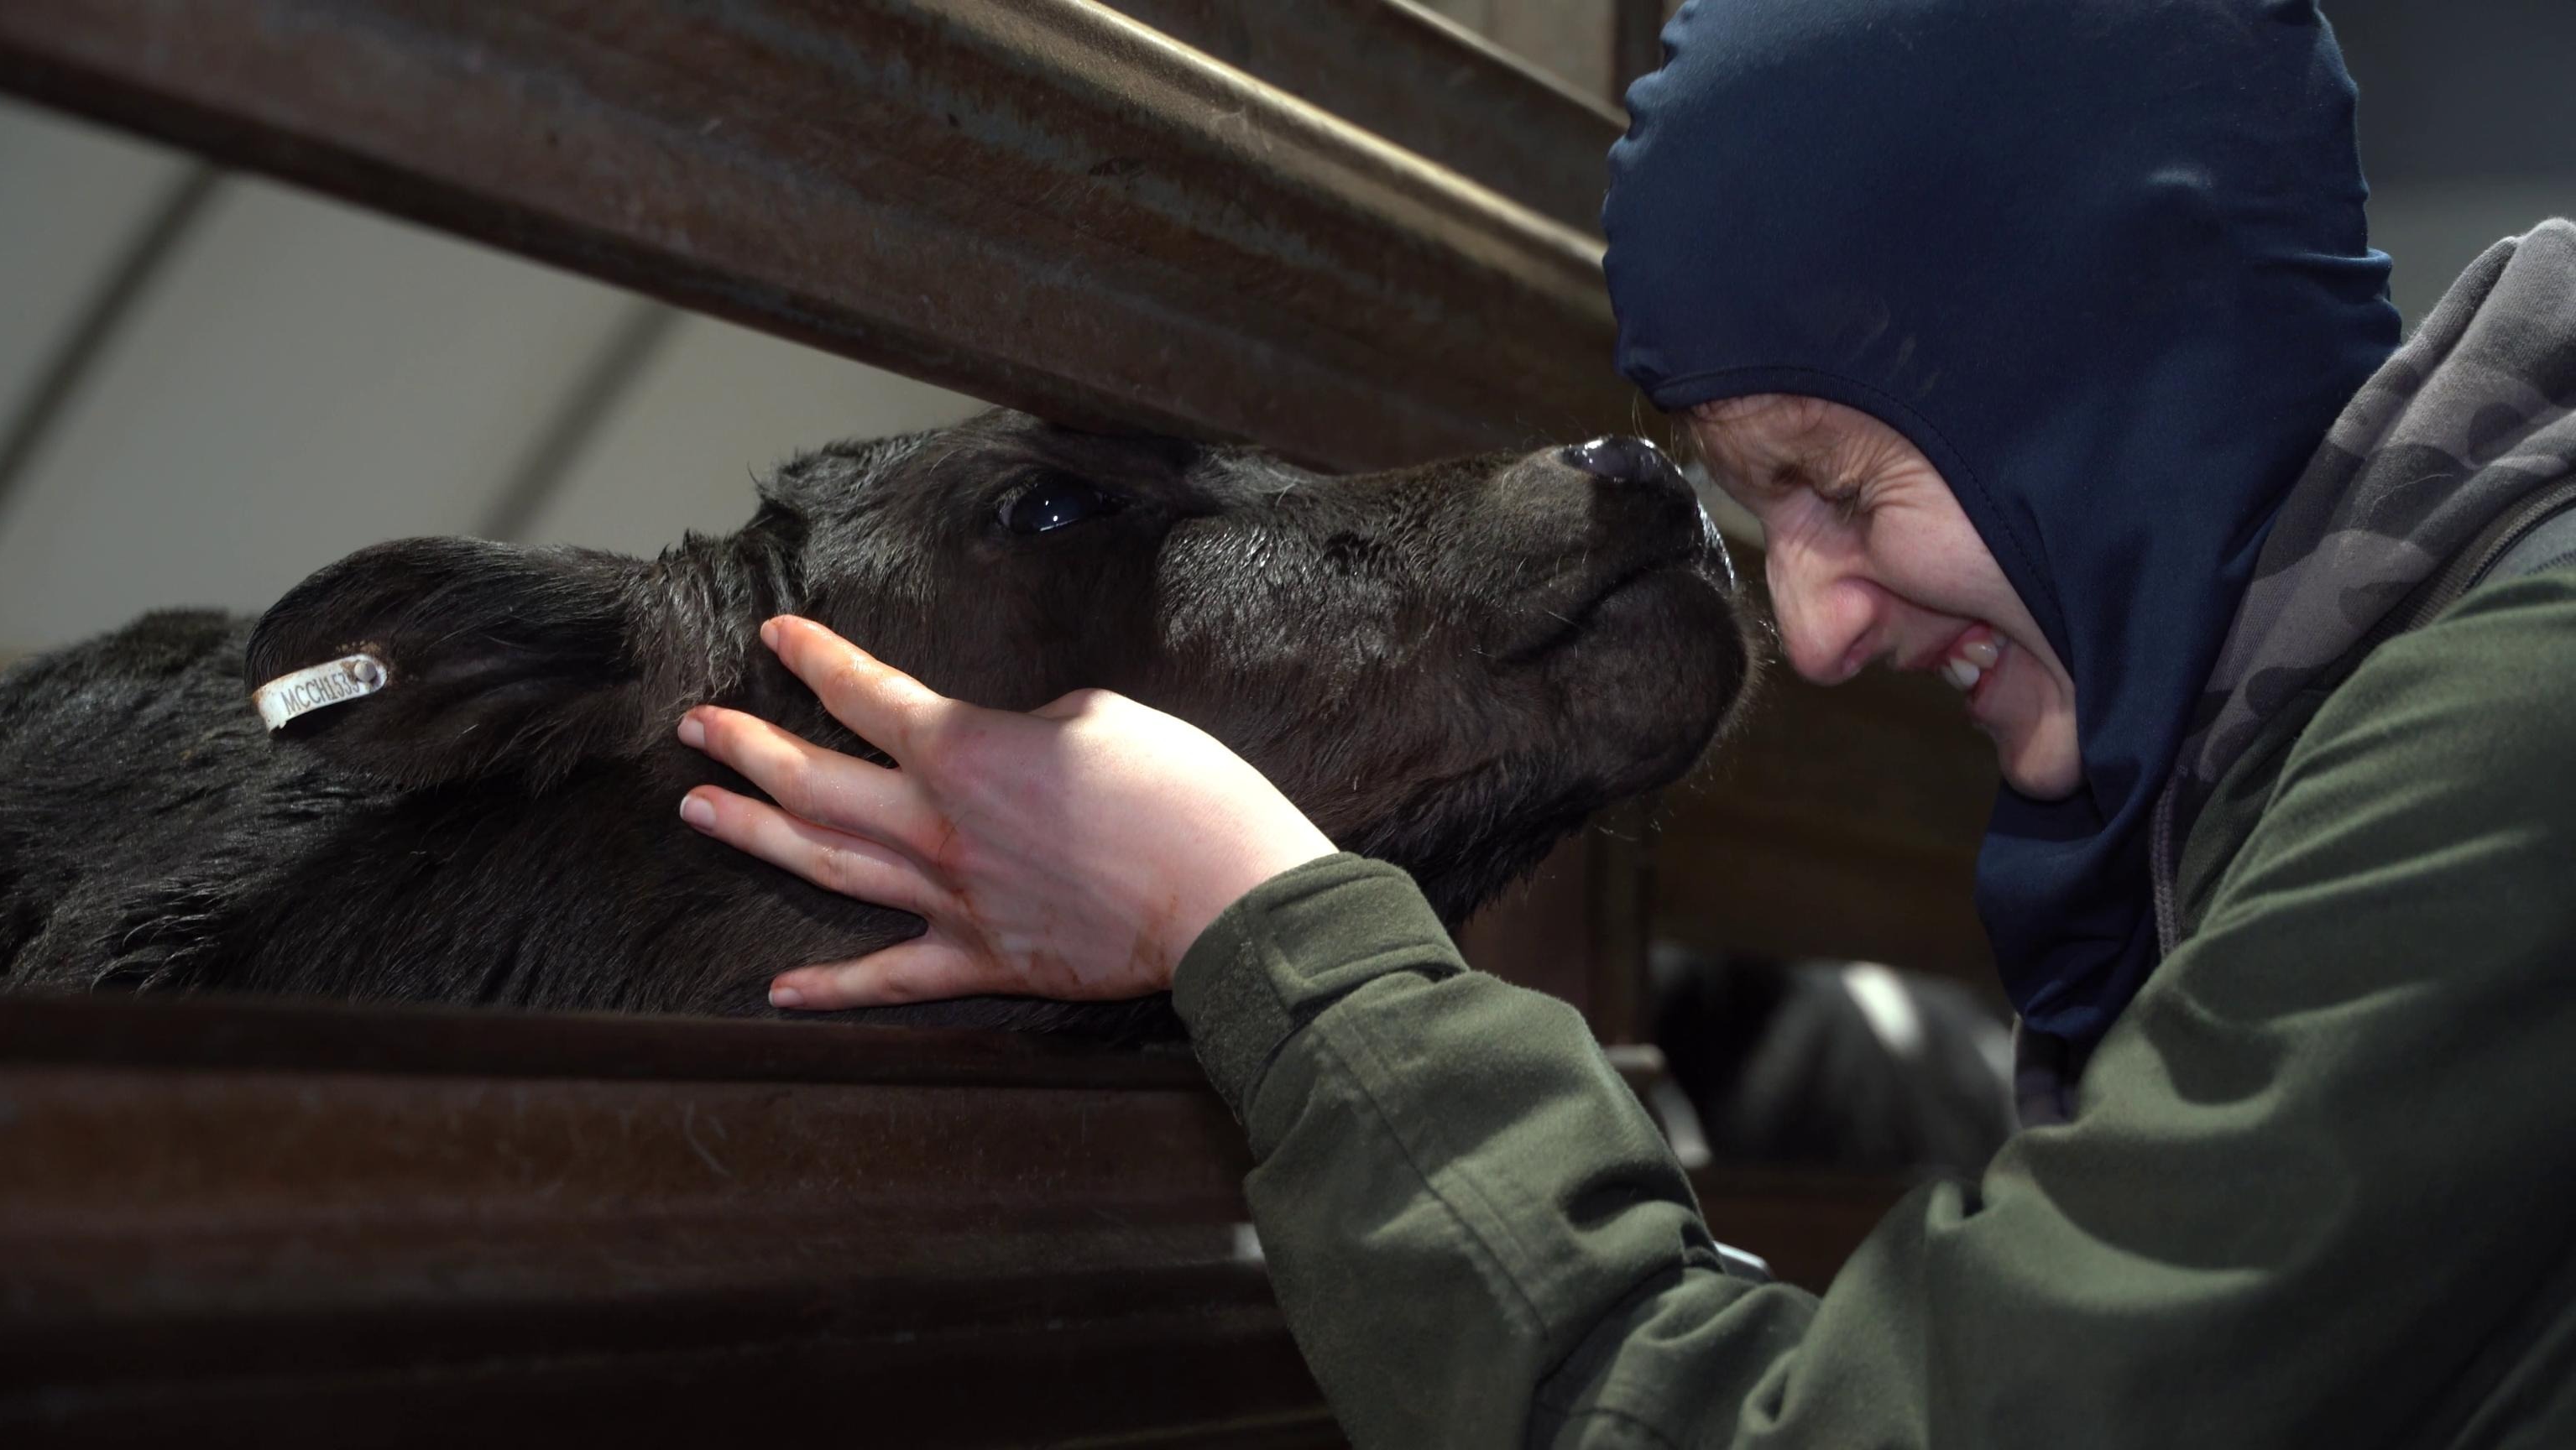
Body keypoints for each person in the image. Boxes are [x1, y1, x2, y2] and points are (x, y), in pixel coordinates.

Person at [668, 1, 2576, 1442]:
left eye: (1841, 478)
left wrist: (1260, 923)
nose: (1812, 630)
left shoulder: (2518, 731)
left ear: (2104, 373)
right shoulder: (2282, 777)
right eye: (1770, 515)